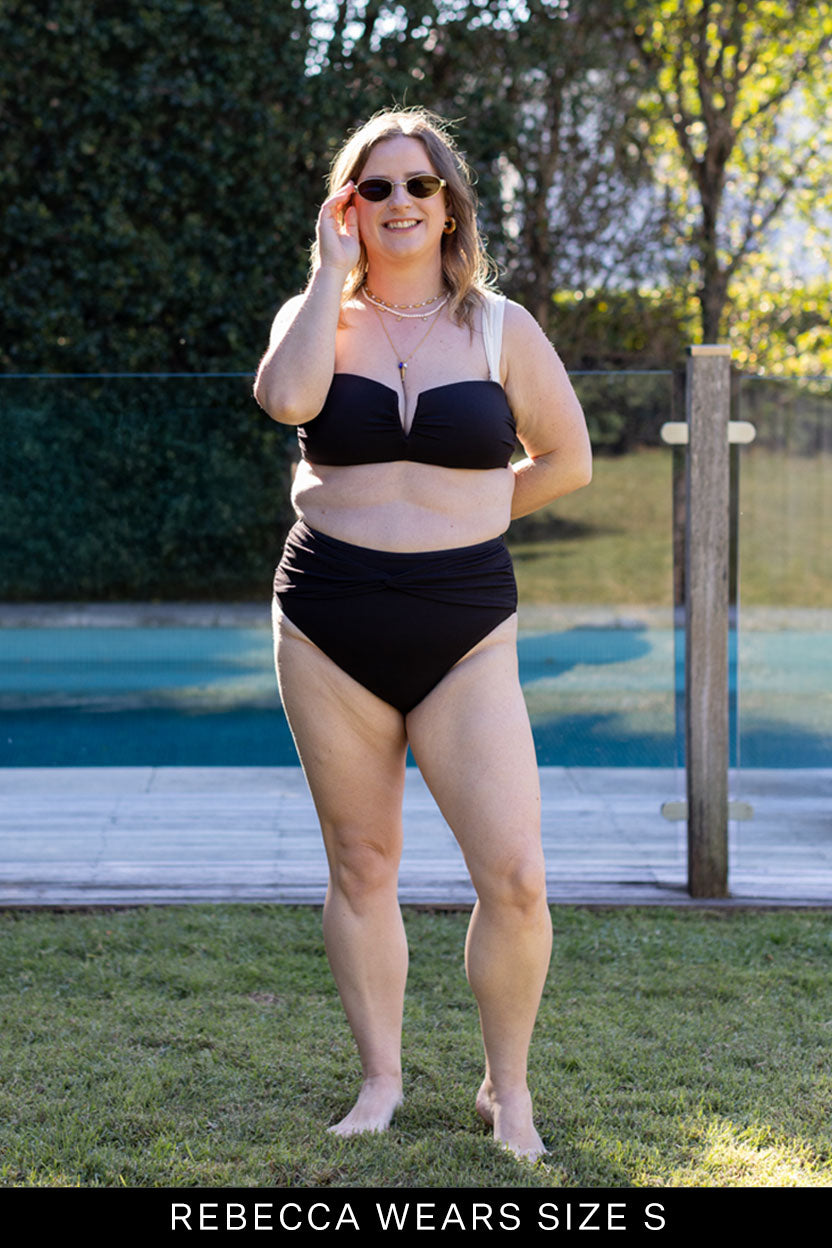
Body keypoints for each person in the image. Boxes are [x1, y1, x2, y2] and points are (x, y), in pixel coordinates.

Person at [253, 107, 591, 1162]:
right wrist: (325, 275)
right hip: (326, 621)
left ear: (450, 205)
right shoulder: (313, 318)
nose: (399, 203)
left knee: (515, 874)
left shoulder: (501, 329)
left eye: (419, 185)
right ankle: (381, 1080)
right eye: (375, 185)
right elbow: (286, 401)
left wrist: (468, 519)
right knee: (361, 863)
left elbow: (566, 461)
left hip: (465, 626)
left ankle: (509, 1090)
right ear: (344, 205)